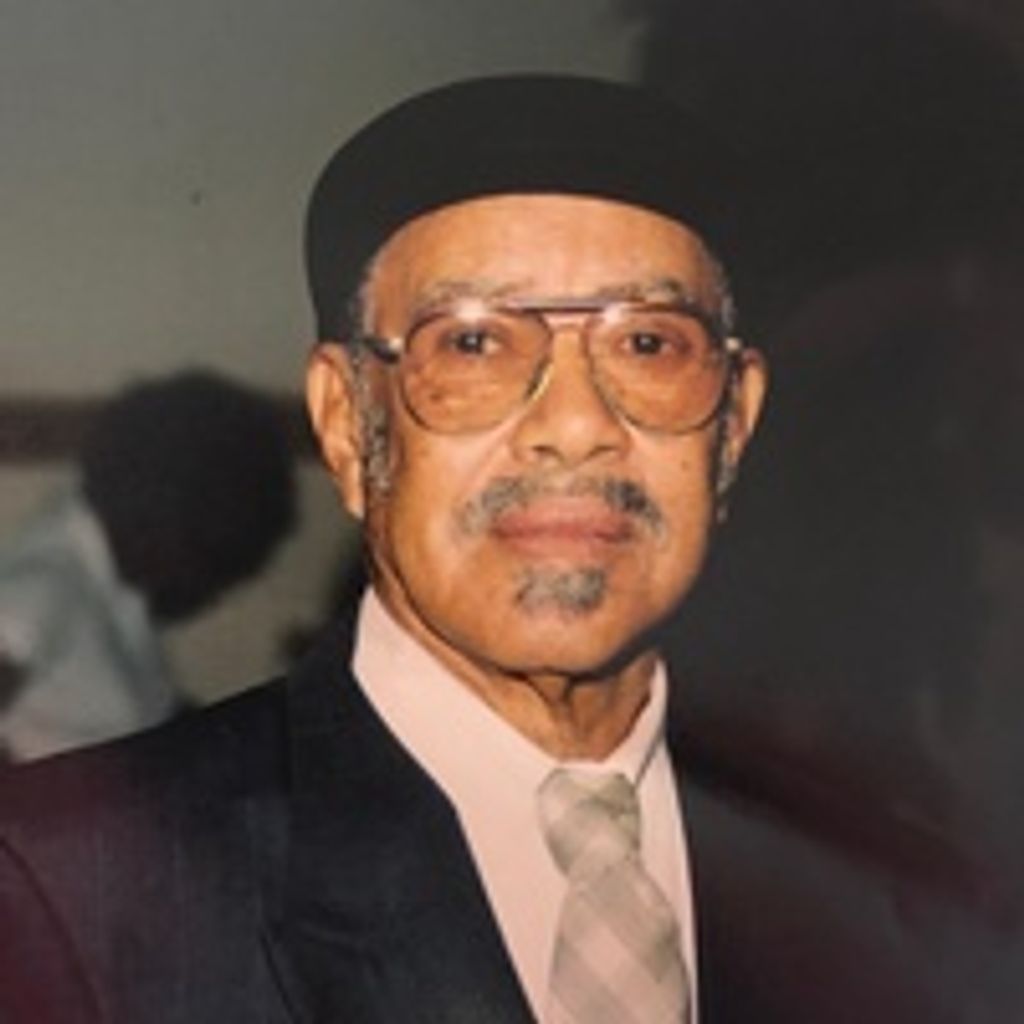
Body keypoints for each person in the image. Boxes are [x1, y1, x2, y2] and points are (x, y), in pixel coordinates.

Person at [0, 76, 981, 1023]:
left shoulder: (900, 902)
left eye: (647, 343)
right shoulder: (68, 891)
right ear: (347, 426)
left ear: (732, 428)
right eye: (472, 343)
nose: (575, 425)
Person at [0, 371, 296, 761]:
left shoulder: (115, 588)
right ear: (162, 525)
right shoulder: (48, 587)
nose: (205, 597)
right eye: (207, 569)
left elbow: (154, 716)